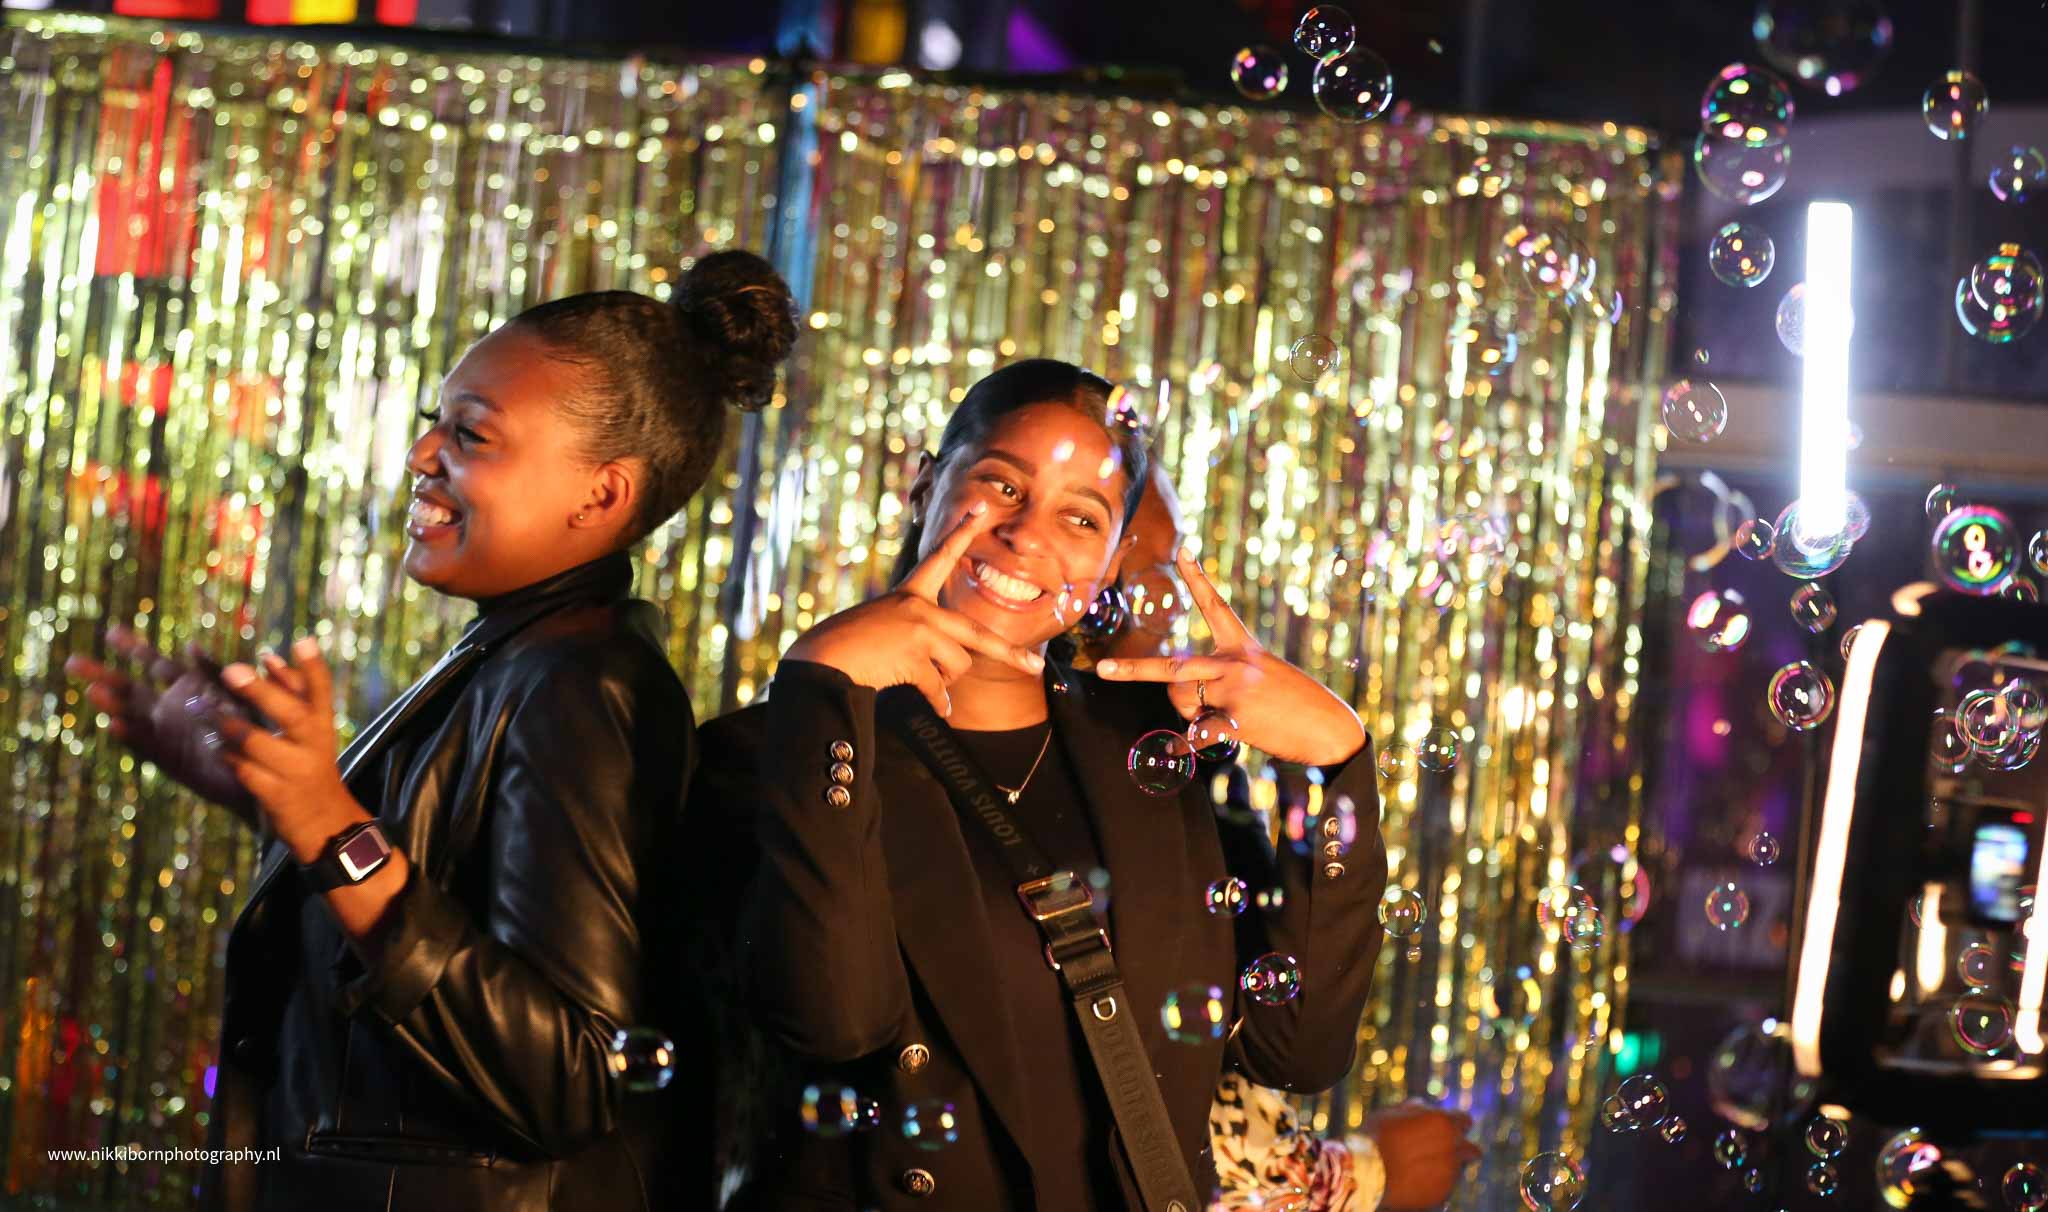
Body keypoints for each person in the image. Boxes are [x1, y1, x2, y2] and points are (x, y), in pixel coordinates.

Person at [65, 251, 799, 1211]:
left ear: (602, 495)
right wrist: (268, 792)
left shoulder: (583, 686)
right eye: (432, 425)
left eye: (471, 434)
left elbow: (572, 1073)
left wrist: (330, 823)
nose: (421, 458)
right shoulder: (522, 652)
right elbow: (436, 880)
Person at [694, 358, 1388, 1210]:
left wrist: (1337, 769)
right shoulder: (766, 752)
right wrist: (822, 686)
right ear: (924, 486)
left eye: (1081, 516)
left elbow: (1297, 1051)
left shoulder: (1158, 757)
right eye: (1001, 484)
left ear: (1109, 561)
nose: (1027, 536)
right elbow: (835, 1016)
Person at [1098, 467, 1484, 1212]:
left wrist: (1336, 761)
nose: (1159, 596)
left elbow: (1294, 1047)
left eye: (1172, 562)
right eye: (1112, 544)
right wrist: (1359, 1179)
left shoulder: (1180, 751)